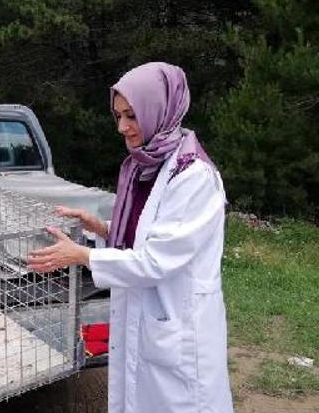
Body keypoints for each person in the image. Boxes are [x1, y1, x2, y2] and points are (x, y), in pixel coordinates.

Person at [27, 62, 233, 413]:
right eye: (118, 115)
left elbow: (157, 259)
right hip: (143, 312)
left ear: (159, 110)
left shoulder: (193, 177)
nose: (123, 127)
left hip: (176, 320)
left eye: (132, 115)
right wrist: (103, 228)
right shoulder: (145, 165)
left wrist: (82, 256)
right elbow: (146, 233)